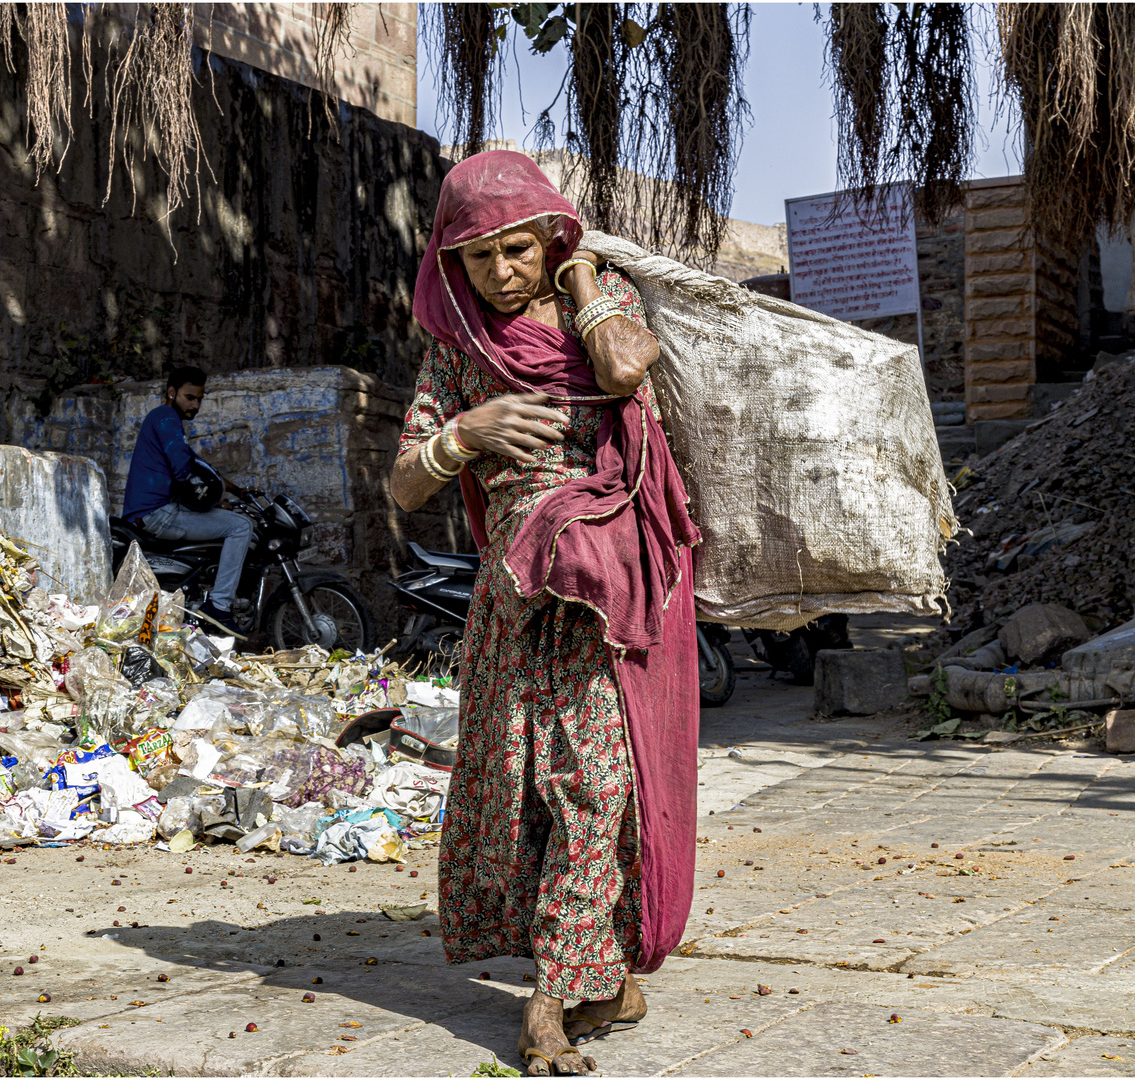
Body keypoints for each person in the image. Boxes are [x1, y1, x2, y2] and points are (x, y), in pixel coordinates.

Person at [390, 151, 702, 1076]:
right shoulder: (457, 353)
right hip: (522, 598)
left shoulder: (591, 303)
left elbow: (621, 368)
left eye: (518, 250)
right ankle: (581, 984)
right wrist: (464, 436)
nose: (500, 273)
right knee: (535, 787)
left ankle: (561, 995)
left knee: (604, 784)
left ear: (550, 238)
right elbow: (406, 484)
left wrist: (579, 275)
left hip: (613, 584)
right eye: (478, 259)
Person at [121, 365, 252, 633]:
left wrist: (237, 491)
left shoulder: (166, 421)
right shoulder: (166, 417)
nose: (195, 404)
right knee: (241, 527)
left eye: (200, 399)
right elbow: (184, 472)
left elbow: (199, 466)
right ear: (172, 392)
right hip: (158, 513)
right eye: (189, 397)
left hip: (155, 512)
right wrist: (214, 503)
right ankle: (219, 606)